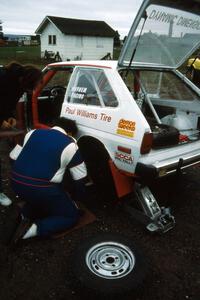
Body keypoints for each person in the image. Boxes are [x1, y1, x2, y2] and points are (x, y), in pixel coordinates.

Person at [10, 117, 88, 244]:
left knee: (37, 199)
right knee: (70, 216)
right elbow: (80, 179)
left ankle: (24, 214)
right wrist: (77, 198)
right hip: (41, 190)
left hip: (15, 181)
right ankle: (31, 230)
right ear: (70, 133)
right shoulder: (71, 144)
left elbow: (12, 157)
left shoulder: (32, 133)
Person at [0, 61, 43, 206]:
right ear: (27, 80)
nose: (35, 89)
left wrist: (8, 117)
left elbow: (7, 104)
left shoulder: (19, 86)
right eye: (35, 85)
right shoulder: (3, 79)